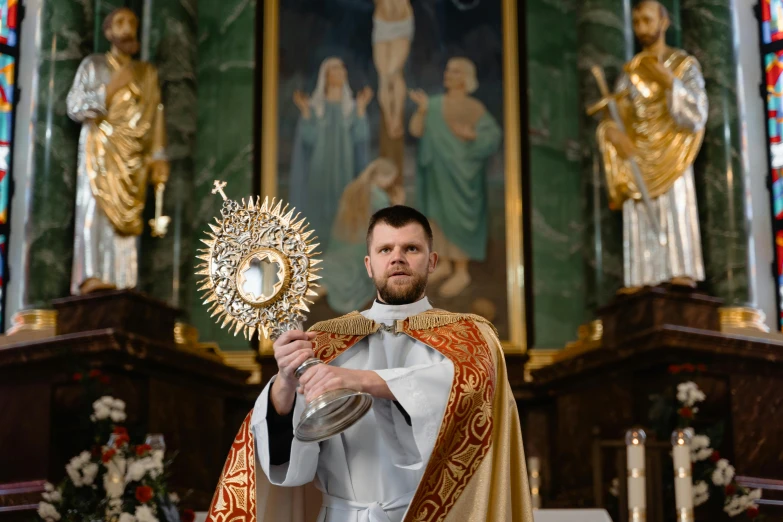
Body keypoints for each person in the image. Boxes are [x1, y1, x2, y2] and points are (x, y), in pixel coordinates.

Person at [206, 205, 534, 522]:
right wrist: (285, 385)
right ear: (368, 264)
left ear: (432, 261)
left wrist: (359, 380)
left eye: (411, 248)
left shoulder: (471, 335)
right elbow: (290, 460)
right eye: (385, 249)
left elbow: (466, 392)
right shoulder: (324, 340)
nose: (397, 258)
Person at [595, 0, 707, 289]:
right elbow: (615, 117)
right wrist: (612, 133)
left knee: (676, 207)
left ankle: (680, 272)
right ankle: (643, 276)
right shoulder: (629, 73)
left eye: (647, 20)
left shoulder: (683, 65)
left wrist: (671, 83)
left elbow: (697, 114)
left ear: (664, 21)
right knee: (640, 213)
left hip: (673, 153)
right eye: (637, 23)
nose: (643, 28)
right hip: (638, 155)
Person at [66, 7, 169, 295]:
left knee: (128, 221)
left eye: (133, 23)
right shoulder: (93, 65)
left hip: (133, 157)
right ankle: (91, 275)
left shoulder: (146, 72)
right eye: (120, 23)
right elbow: (74, 106)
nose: (128, 29)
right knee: (95, 209)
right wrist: (109, 89)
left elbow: (156, 113)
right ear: (108, 32)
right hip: (99, 149)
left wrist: (158, 155)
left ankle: (124, 281)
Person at [409, 57, 502, 298]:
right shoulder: (434, 104)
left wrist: (473, 136)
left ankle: (462, 271)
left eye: (455, 71)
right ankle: (445, 265)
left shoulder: (474, 108)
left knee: (460, 220)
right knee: (437, 218)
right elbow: (416, 130)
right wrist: (421, 110)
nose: (448, 74)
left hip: (464, 176)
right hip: (438, 174)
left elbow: (492, 136)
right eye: (448, 70)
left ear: (466, 78)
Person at [289, 57, 374, 249]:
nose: (340, 72)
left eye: (342, 69)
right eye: (335, 69)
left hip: (345, 167)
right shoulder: (315, 106)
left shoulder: (350, 107)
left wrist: (360, 109)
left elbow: (359, 138)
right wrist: (304, 112)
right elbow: (308, 139)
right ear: (325, 76)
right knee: (317, 209)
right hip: (318, 170)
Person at [320, 158, 405, 313]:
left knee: (329, 276)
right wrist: (399, 203)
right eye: (390, 179)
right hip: (360, 247)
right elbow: (390, 222)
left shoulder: (353, 187)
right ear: (382, 177)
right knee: (347, 278)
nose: (390, 183)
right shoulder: (378, 196)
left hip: (343, 242)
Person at [373, 0, 414, 139]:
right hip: (382, 22)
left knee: (393, 72)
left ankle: (396, 118)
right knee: (383, 77)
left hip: (401, 23)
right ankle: (389, 120)